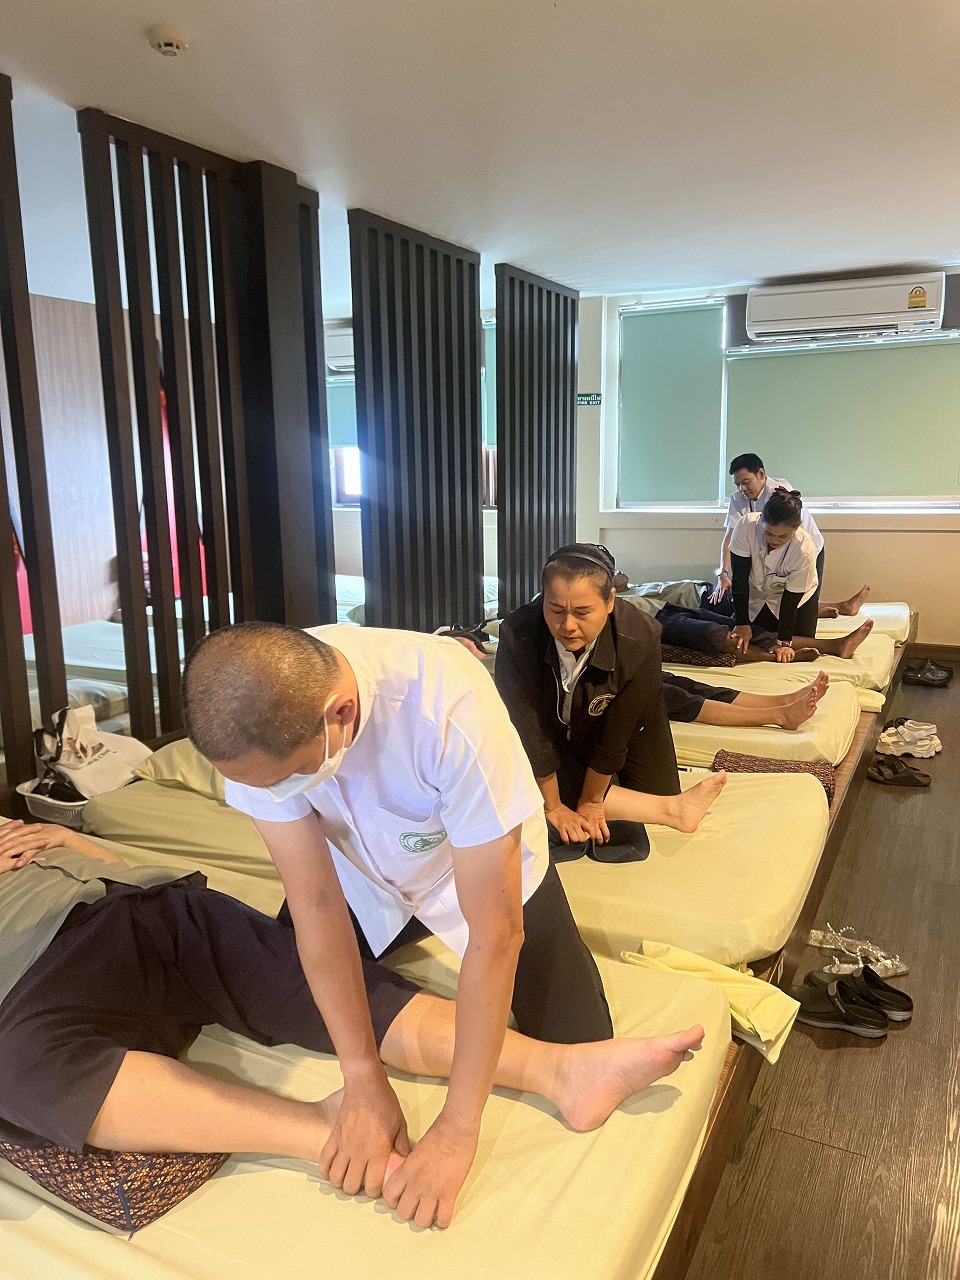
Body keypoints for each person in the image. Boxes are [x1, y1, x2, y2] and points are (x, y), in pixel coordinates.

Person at [0, 819, 704, 1230]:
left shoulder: (30, 838)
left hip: (150, 908)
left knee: (332, 985)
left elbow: (110, 860)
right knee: (16, 1068)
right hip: (35, 974)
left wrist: (69, 836)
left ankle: (560, 1070)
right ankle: (323, 1130)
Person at [181, 621, 642, 1228]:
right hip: (365, 878)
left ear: (341, 713)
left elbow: (496, 933)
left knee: (579, 1035)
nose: (275, 794)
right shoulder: (252, 726)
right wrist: (361, 1077)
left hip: (479, 866)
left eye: (287, 778)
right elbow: (316, 904)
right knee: (285, 972)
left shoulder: (446, 704)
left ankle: (562, 1069)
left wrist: (457, 1129)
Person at [494, 543, 727, 849]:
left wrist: (592, 801)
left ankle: (663, 802)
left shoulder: (640, 636)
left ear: (610, 601)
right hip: (549, 728)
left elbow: (619, 730)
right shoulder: (518, 634)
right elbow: (530, 729)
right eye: (555, 610)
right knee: (514, 779)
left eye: (582, 612)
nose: (568, 625)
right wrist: (553, 807)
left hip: (626, 726)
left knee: (657, 789)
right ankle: (673, 811)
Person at [711, 452, 869, 617]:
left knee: (801, 599)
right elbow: (730, 537)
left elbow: (789, 535)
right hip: (772, 553)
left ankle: (836, 608)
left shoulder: (780, 494)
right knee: (770, 601)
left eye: (745, 482)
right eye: (738, 485)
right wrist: (723, 573)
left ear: (761, 474)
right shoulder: (738, 498)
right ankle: (838, 607)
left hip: (803, 551)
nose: (742, 489)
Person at [729, 488, 874, 660]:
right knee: (754, 635)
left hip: (798, 600)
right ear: (761, 520)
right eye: (768, 533)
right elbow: (739, 578)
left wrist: (784, 643)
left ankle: (836, 639)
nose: (774, 540)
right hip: (759, 594)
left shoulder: (804, 548)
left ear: (797, 526)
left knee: (798, 640)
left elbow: (790, 600)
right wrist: (742, 623)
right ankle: (835, 639)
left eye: (783, 536)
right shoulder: (746, 527)